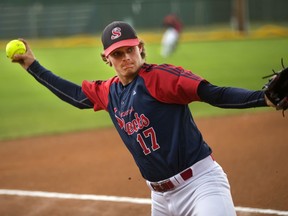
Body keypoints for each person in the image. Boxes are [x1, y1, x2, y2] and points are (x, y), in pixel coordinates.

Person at [12, 21, 273, 216]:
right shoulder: (109, 91)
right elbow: (75, 95)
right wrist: (31, 65)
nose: (126, 57)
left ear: (140, 48)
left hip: (200, 187)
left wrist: (263, 98)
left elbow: (214, 94)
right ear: (107, 58)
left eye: (130, 50)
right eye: (117, 53)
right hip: (160, 199)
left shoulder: (161, 78)